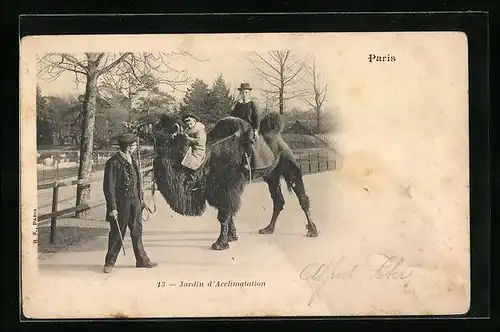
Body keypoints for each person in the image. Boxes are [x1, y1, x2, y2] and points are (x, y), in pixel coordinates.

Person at [102, 133, 157, 273]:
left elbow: (138, 182)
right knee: (117, 233)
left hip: (135, 202)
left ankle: (142, 260)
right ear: (127, 147)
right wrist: (112, 207)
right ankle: (109, 262)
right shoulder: (113, 162)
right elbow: (109, 187)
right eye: (134, 145)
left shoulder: (132, 159)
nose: (136, 147)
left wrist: (141, 200)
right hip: (121, 204)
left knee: (137, 231)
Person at [230, 82, 275, 173]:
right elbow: (233, 118)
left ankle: (247, 162)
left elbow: (256, 118)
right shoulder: (237, 106)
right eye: (242, 92)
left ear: (249, 93)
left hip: (249, 128)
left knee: (248, 141)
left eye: (246, 92)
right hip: (239, 128)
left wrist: (255, 130)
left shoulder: (252, 105)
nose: (244, 94)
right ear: (240, 94)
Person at [180, 114, 207, 184]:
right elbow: (184, 134)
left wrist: (188, 139)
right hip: (191, 147)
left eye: (190, 123)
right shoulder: (189, 129)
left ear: (194, 121)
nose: (189, 125)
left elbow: (200, 141)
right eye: (188, 124)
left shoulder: (199, 129)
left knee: (192, 160)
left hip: (198, 149)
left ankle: (193, 178)